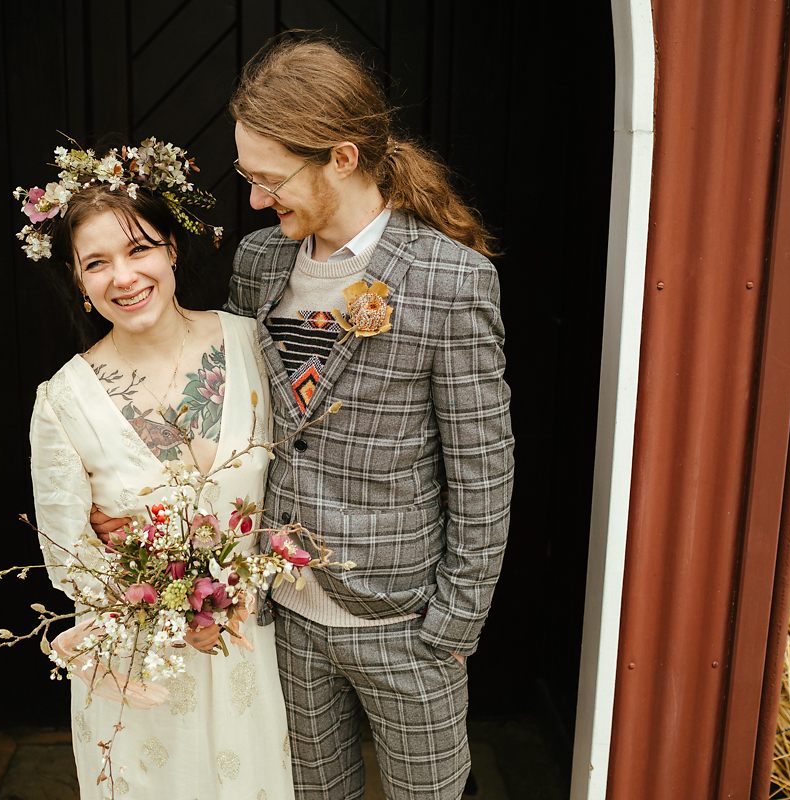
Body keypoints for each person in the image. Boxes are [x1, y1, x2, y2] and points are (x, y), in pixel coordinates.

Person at [225, 34, 515, 799]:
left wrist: (452, 627)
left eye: (271, 179)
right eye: (246, 177)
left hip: (403, 621)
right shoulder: (258, 264)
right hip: (281, 615)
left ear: (342, 158)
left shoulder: (452, 281)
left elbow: (483, 470)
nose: (256, 200)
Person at [25, 140, 295, 799]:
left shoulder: (250, 344)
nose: (124, 276)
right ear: (78, 282)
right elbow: (69, 560)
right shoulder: (65, 401)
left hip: (249, 657)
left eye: (139, 248)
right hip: (142, 670)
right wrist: (168, 598)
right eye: (97, 263)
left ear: (171, 249)